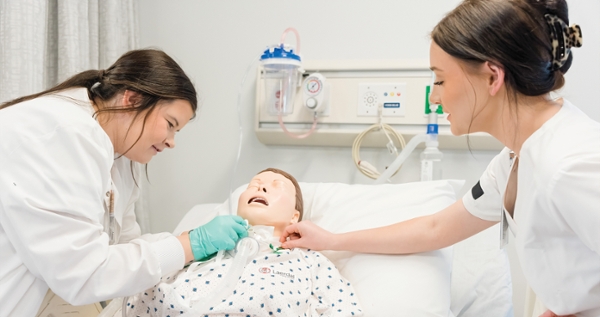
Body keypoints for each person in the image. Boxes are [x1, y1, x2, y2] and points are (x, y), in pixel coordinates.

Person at [280, 1, 598, 316]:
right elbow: (436, 228)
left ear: (492, 77)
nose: (434, 96)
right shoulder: (514, 160)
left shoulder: (569, 165)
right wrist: (331, 239)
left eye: (441, 80)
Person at [0, 49, 248, 317]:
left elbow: (125, 246)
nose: (171, 142)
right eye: (170, 124)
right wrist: (189, 245)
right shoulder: (64, 134)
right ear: (132, 99)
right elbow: (84, 273)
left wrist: (186, 246)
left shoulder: (122, 153)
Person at [117, 168, 363, 317]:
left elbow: (343, 309)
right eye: (254, 184)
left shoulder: (308, 261)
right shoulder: (200, 247)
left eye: (276, 187)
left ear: (294, 216)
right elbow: (141, 291)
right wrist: (191, 243)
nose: (263, 186)